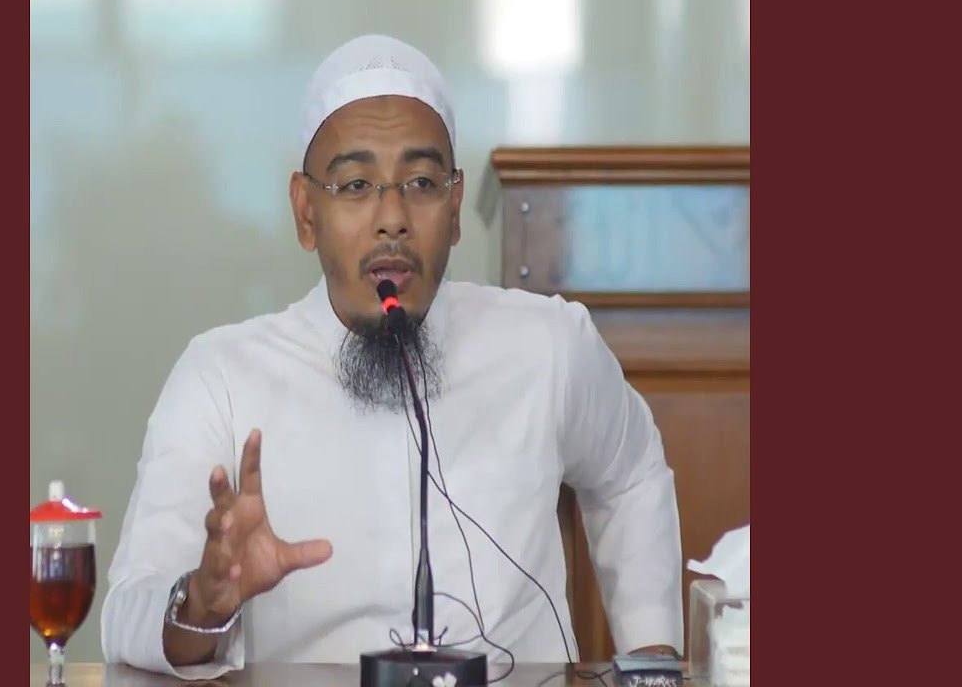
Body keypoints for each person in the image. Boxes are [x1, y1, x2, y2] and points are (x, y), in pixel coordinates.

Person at [100, 34, 684, 680]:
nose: (392, 218)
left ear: (455, 209)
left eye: (422, 183)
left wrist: (652, 656)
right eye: (355, 185)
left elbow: (631, 474)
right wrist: (203, 606)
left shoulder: (548, 345)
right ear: (306, 213)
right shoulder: (222, 377)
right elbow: (127, 613)